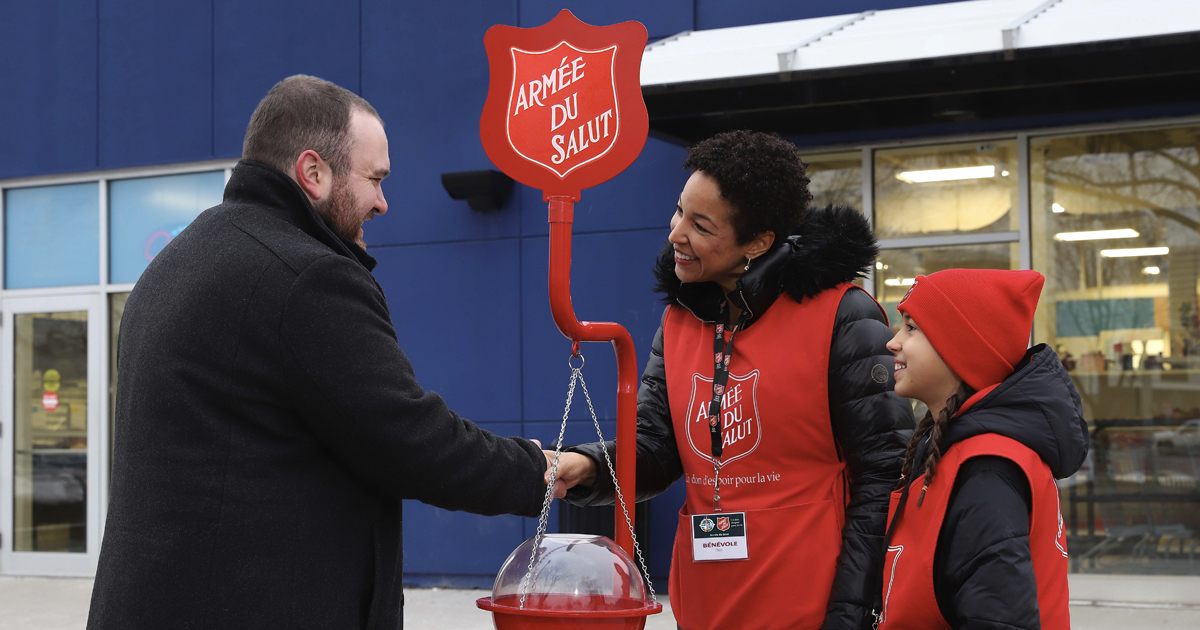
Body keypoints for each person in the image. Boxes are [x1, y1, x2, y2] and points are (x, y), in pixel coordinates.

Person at [87, 75, 553, 630]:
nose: (383, 203)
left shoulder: (177, 263)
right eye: (375, 180)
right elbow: (410, 440)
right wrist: (542, 469)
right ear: (313, 172)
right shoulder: (306, 276)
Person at [550, 130, 913, 630]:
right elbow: (657, 446)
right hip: (707, 603)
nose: (676, 233)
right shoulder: (679, 321)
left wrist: (851, 612)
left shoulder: (842, 315)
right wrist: (586, 464)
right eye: (679, 212)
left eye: (701, 225)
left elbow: (885, 476)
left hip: (811, 604)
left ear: (758, 242)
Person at [878, 269, 1088, 630]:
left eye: (911, 328)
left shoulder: (988, 469)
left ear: (958, 350)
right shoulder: (952, 447)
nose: (892, 342)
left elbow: (998, 618)